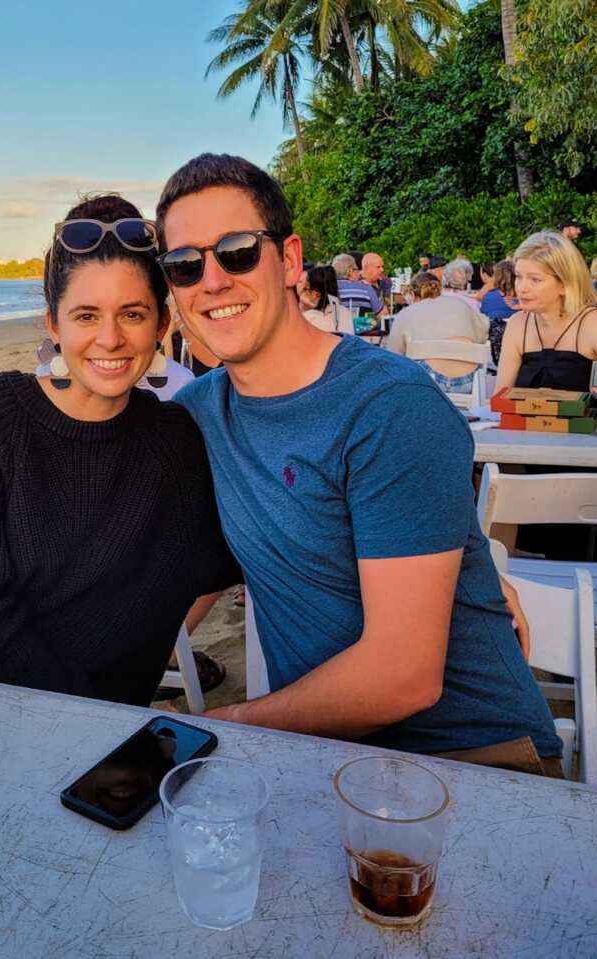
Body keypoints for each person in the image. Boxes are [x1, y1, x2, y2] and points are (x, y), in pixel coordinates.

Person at [155, 153, 561, 776]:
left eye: (237, 251)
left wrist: (227, 724)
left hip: (474, 758)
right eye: (184, 265)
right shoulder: (197, 414)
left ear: (289, 261)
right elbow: (192, 564)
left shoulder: (388, 406)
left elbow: (403, 676)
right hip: (324, 752)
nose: (211, 281)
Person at [0, 195, 239, 708]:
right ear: (53, 325)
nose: (110, 338)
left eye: (133, 313)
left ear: (162, 325)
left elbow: (229, 553)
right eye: (85, 315)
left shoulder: (178, 440)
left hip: (97, 727)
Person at [495, 230, 597, 393]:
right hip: (524, 419)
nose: (521, 288)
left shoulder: (591, 324)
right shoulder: (517, 324)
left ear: (565, 284)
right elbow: (501, 396)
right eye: (519, 277)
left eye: (535, 279)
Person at [384, 271, 489, 396]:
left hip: (428, 382)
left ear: (412, 294)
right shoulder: (461, 305)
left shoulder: (407, 313)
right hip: (470, 380)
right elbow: (482, 336)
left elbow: (393, 355)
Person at [299, 266, 355, 334]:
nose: (303, 293)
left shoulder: (308, 318)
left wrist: (302, 307)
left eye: (306, 289)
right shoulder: (345, 312)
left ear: (314, 294)